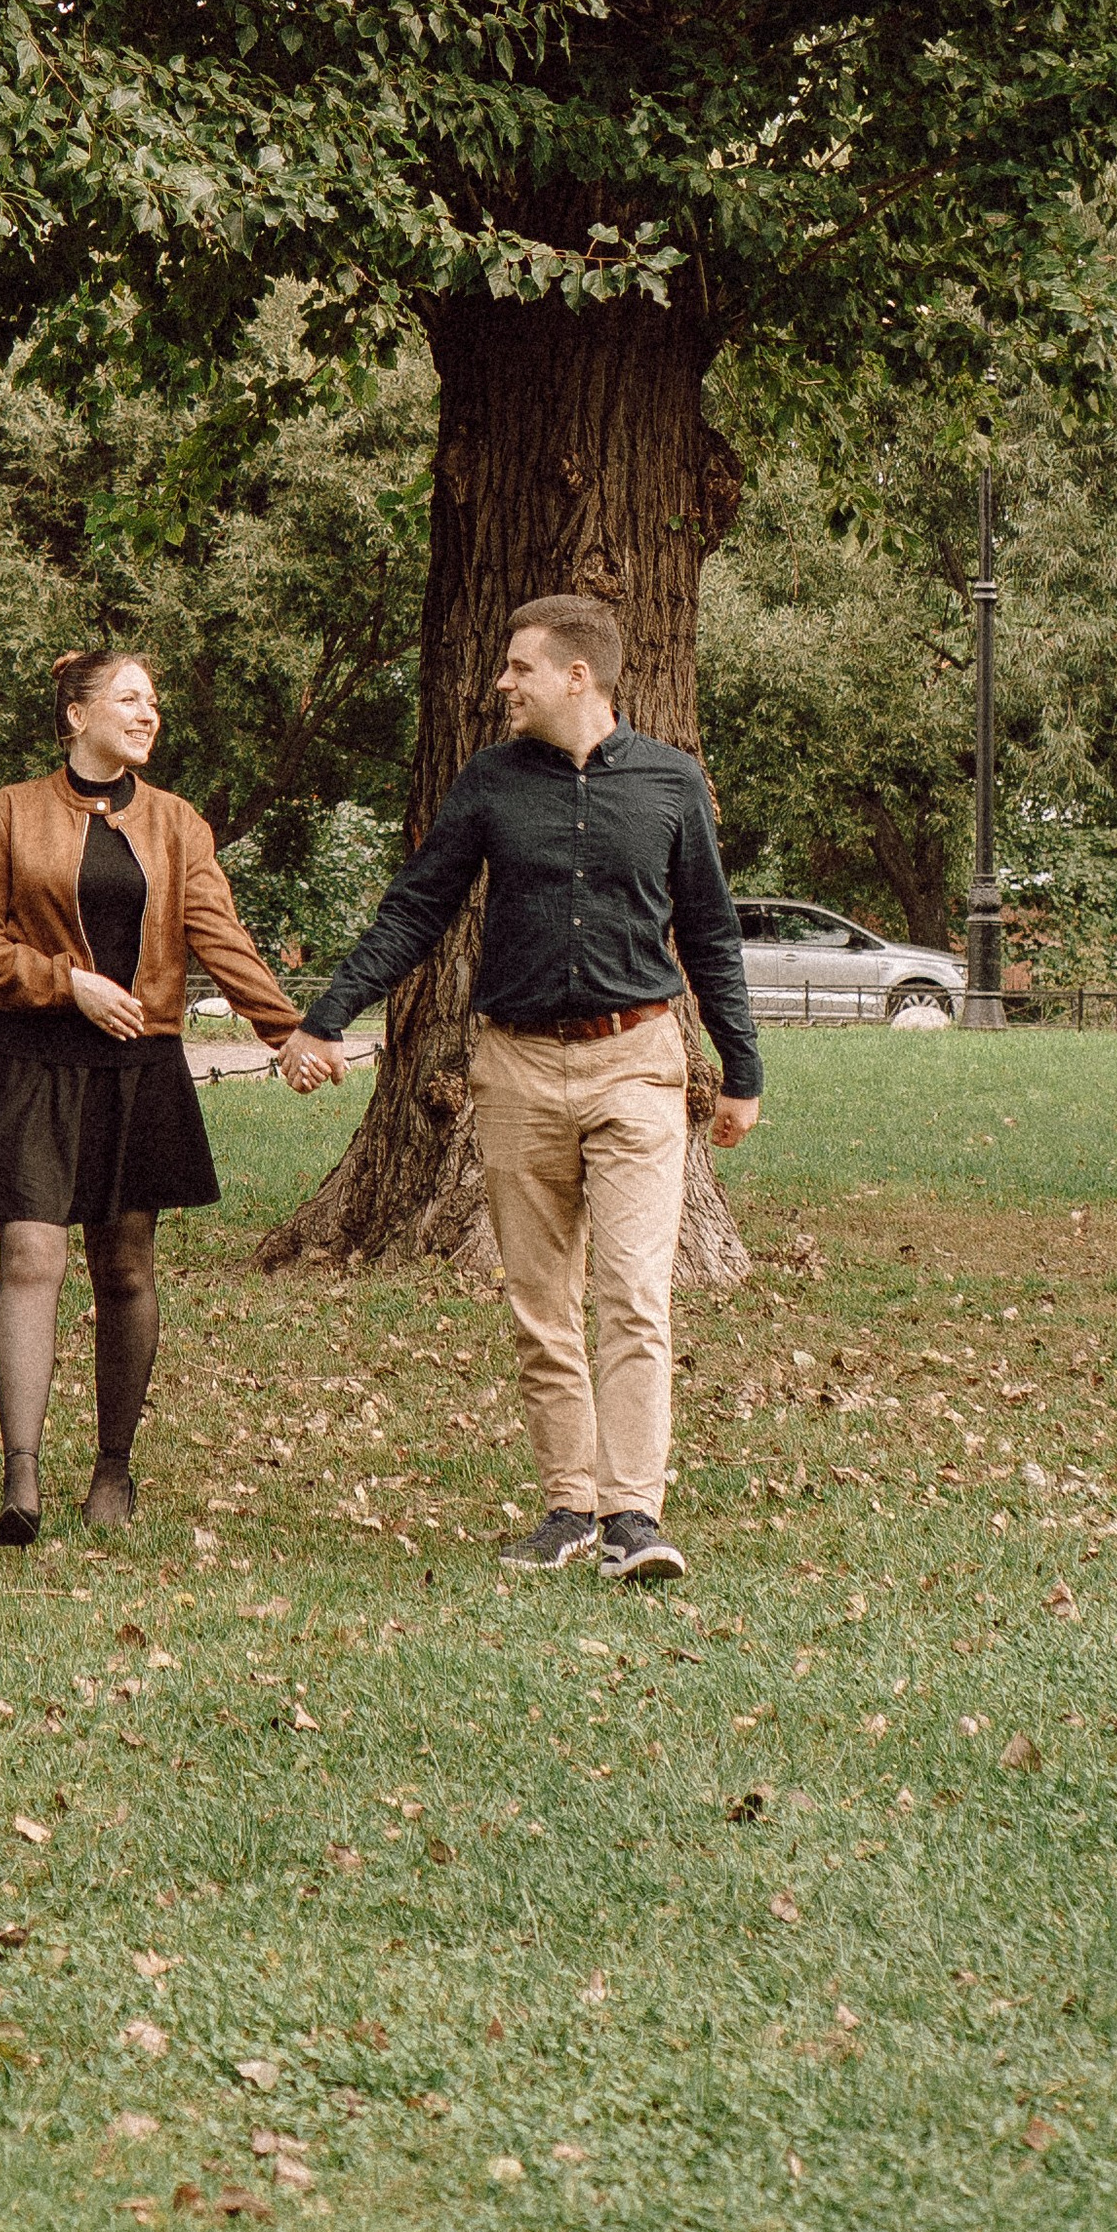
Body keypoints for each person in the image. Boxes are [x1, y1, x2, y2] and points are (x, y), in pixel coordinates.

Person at [280, 593, 760, 1582]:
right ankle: (567, 1506)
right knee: (543, 1302)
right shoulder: (490, 784)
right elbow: (415, 911)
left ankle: (634, 1515)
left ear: (576, 676)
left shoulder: (670, 785)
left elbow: (710, 936)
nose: (502, 683)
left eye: (519, 669)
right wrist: (325, 1015)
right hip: (517, 1067)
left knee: (633, 1294)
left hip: (637, 1061)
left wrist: (740, 1072)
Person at [0, 648, 305, 1546]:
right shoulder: (10, 813)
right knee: (29, 1257)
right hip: (30, 1059)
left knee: (125, 1267)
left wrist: (284, 1031)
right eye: (130, 699)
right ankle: (20, 1482)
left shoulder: (178, 825)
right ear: (77, 715)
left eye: (154, 702)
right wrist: (69, 984)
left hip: (139, 1066)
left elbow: (219, 933)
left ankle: (113, 1470)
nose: (149, 715)